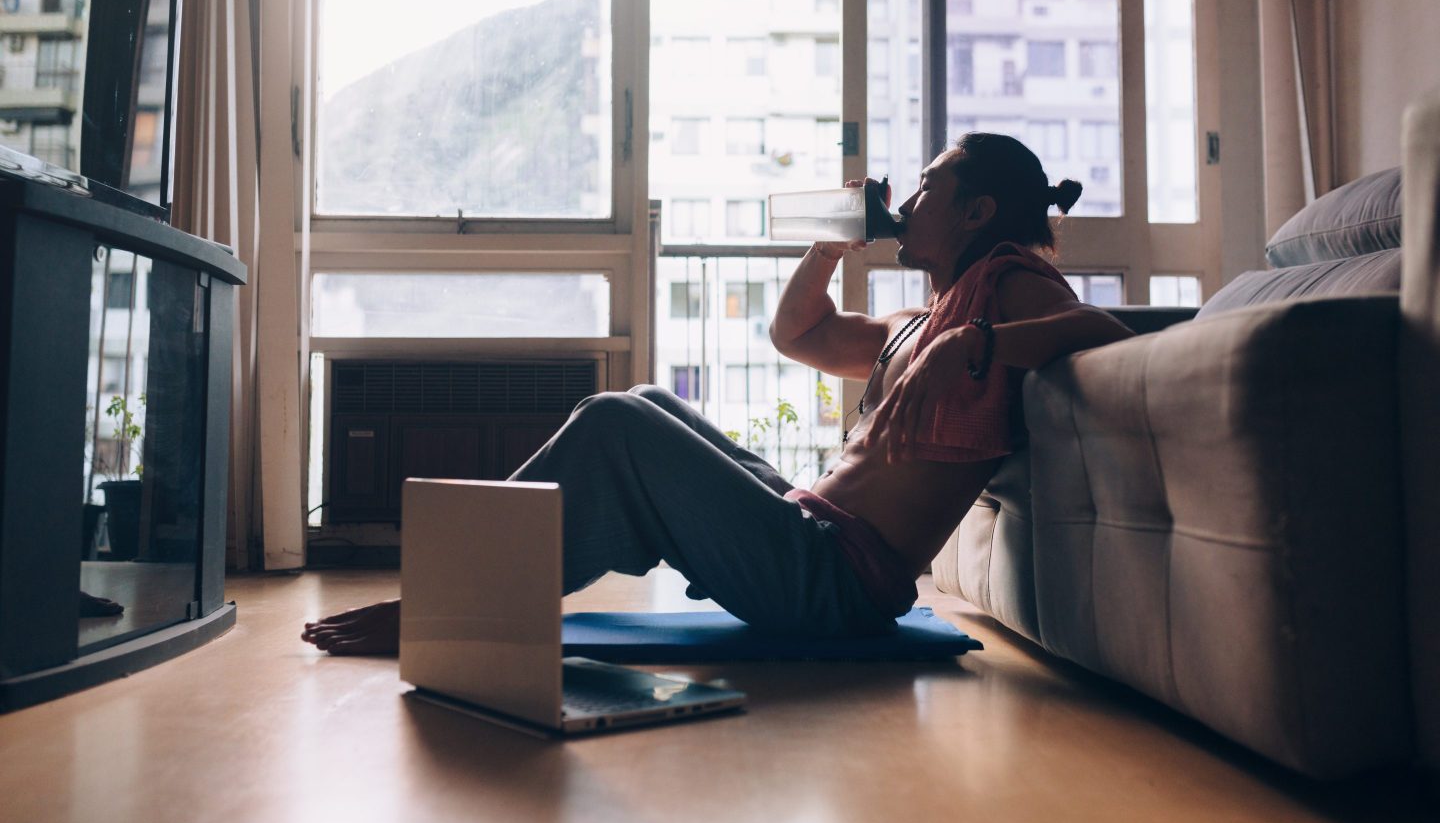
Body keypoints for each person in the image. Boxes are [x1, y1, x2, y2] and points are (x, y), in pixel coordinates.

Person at [301, 132, 1134, 655]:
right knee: (648, 401)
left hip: (836, 583)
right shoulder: (920, 320)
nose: (908, 200)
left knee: (615, 422)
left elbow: (1108, 334)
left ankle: (448, 606)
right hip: (807, 528)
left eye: (928, 185)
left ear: (978, 210)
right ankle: (464, 585)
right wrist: (831, 242)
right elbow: (798, 335)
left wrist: (976, 345)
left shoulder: (1008, 284)